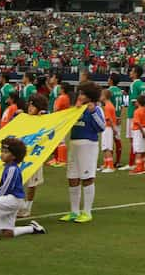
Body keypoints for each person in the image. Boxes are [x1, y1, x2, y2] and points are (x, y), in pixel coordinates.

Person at [0, 137, 46, 241]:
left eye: (6, 152)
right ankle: (33, 229)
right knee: (7, 233)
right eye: (2, 151)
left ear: (14, 156)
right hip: (14, 200)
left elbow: (6, 187)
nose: (2, 154)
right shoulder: (8, 167)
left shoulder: (12, 169)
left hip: (13, 199)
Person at [60, 82, 106, 223]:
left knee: (87, 178)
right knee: (72, 178)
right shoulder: (76, 109)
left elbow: (101, 127)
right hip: (74, 144)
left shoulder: (96, 109)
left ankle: (87, 212)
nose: (79, 96)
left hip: (88, 145)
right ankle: (74, 212)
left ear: (89, 96)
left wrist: (92, 112)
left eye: (82, 94)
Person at [19, 93, 48, 218]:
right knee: (18, 180)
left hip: (35, 155)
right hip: (22, 154)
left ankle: (27, 207)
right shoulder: (24, 117)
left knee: (32, 183)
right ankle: (20, 205)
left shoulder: (44, 118)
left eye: (33, 106)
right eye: (29, 105)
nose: (30, 108)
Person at [120, 65, 145, 172]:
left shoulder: (134, 84)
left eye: (131, 71)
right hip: (143, 114)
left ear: (135, 73)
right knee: (139, 140)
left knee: (133, 140)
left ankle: (132, 163)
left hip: (133, 115)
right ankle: (140, 162)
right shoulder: (142, 84)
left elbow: (135, 102)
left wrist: (135, 113)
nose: (130, 72)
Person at [48, 82, 71, 167]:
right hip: (62, 119)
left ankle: (62, 160)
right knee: (58, 140)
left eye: (60, 88)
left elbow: (56, 109)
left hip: (60, 120)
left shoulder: (61, 98)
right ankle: (56, 159)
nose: (59, 89)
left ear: (63, 89)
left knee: (60, 140)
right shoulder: (66, 97)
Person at [107, 73, 124, 168]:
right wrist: (120, 117)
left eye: (109, 78)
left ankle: (109, 161)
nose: (107, 79)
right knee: (117, 139)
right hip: (117, 118)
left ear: (112, 80)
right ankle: (118, 161)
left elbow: (108, 105)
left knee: (109, 139)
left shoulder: (109, 91)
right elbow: (121, 106)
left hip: (111, 118)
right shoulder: (120, 91)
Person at [100, 88, 119, 173]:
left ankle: (110, 166)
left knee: (107, 147)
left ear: (104, 96)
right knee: (105, 146)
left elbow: (109, 119)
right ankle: (106, 164)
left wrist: (114, 128)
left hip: (107, 128)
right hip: (108, 128)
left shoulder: (107, 106)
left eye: (101, 95)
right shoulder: (109, 105)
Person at [130, 94, 145, 175]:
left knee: (138, 150)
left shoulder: (137, 111)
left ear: (138, 102)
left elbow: (138, 123)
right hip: (144, 129)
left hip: (138, 131)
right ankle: (142, 166)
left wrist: (143, 133)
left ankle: (138, 168)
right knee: (142, 149)